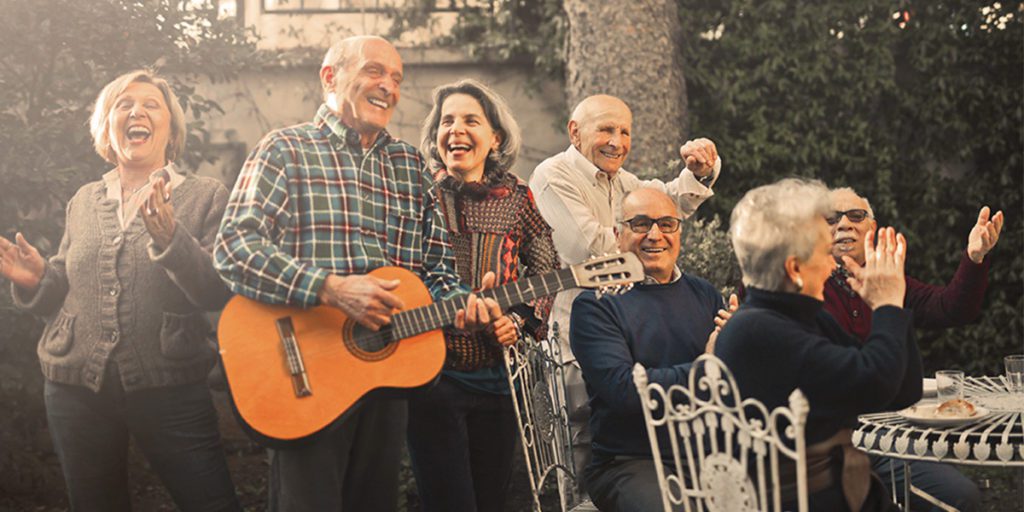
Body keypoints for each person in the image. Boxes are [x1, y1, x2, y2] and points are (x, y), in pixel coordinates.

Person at [213, 36, 502, 512]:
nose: (387, 86)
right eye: (374, 71)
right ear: (330, 77)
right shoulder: (285, 149)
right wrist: (329, 288)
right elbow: (233, 249)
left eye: (396, 78)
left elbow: (436, 272)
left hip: (386, 379)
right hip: (301, 375)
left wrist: (465, 303)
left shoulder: (409, 166)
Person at [0, 70, 240, 511]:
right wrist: (38, 280)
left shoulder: (205, 195)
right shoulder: (85, 200)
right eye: (123, 104)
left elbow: (214, 290)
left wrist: (171, 238)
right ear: (107, 127)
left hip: (170, 384)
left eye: (152, 104)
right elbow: (67, 286)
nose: (137, 111)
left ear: (170, 129)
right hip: (74, 387)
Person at [529, 93, 723, 485]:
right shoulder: (553, 175)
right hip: (576, 332)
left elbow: (666, 201)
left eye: (624, 131)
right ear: (575, 132)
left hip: (627, 327)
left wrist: (700, 173)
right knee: (582, 452)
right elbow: (584, 245)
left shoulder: (622, 181)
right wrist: (648, 231)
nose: (617, 141)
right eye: (605, 129)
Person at [716, 178, 920, 512]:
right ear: (794, 268)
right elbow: (876, 380)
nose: (832, 264)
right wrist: (887, 306)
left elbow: (900, 391)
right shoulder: (757, 331)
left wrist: (889, 306)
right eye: (826, 253)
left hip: (841, 491)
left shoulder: (800, 315)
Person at [407, 78, 559, 512]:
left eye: (470, 120)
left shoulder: (517, 196)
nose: (456, 129)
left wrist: (519, 322)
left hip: (499, 379)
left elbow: (546, 266)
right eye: (446, 120)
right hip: (432, 376)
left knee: (493, 500)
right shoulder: (419, 195)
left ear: (494, 137)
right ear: (436, 138)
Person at [824, 186, 1000, 511]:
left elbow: (950, 308)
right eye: (832, 218)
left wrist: (974, 258)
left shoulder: (892, 282)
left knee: (961, 497)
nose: (844, 223)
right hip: (831, 445)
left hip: (893, 438)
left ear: (872, 228)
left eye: (856, 215)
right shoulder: (803, 285)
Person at [570, 188, 728, 512]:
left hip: (707, 452)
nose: (655, 235)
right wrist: (708, 366)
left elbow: (730, 385)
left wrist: (740, 343)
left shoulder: (705, 294)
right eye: (640, 223)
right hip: (629, 461)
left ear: (679, 232)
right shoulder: (595, 304)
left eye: (667, 224)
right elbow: (626, 392)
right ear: (618, 235)